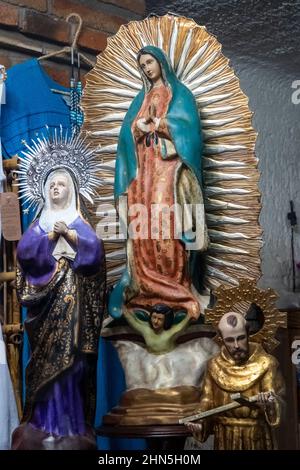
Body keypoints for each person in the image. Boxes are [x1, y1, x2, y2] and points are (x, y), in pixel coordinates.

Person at [12, 135, 105, 450]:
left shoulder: (80, 223)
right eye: (51, 185)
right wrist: (49, 237)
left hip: (73, 316)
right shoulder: (39, 225)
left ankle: (71, 426)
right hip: (45, 313)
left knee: (72, 368)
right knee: (46, 370)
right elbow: (25, 254)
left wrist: (73, 237)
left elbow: (95, 253)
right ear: (43, 191)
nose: (55, 189)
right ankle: (43, 425)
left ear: (72, 190)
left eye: (62, 185)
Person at [109, 45, 208, 321]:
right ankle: (145, 286)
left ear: (161, 62)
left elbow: (189, 132)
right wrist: (136, 128)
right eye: (142, 65)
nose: (147, 68)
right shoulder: (140, 99)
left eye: (150, 62)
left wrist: (161, 123)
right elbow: (125, 138)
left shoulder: (181, 95)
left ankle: (175, 286)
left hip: (169, 170)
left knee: (168, 223)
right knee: (144, 227)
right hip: (144, 172)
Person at [185, 311, 285, 450]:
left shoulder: (267, 363)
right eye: (230, 340)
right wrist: (199, 418)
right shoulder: (214, 365)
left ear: (248, 333)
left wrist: (269, 404)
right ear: (222, 339)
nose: (236, 345)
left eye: (241, 338)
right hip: (225, 436)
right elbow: (207, 400)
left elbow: (278, 400)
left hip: (256, 436)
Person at [123, 304, 190, 354]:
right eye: (154, 317)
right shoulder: (146, 330)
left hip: (168, 357)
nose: (155, 321)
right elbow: (132, 321)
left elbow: (183, 324)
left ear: (166, 320)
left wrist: (190, 314)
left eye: (160, 319)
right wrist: (123, 309)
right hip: (149, 357)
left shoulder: (171, 332)